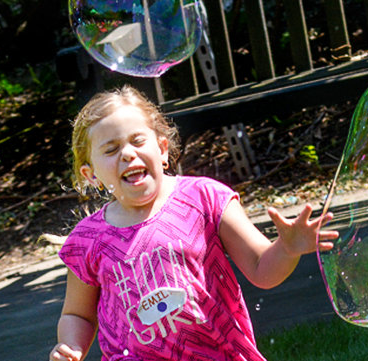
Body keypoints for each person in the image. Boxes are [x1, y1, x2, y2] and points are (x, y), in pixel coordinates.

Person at [49, 85, 338, 361]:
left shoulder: (203, 199)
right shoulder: (88, 240)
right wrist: (70, 345)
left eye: (138, 141)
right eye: (111, 149)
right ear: (91, 175)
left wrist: (286, 249)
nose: (127, 153)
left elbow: (262, 269)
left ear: (162, 150)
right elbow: (78, 314)